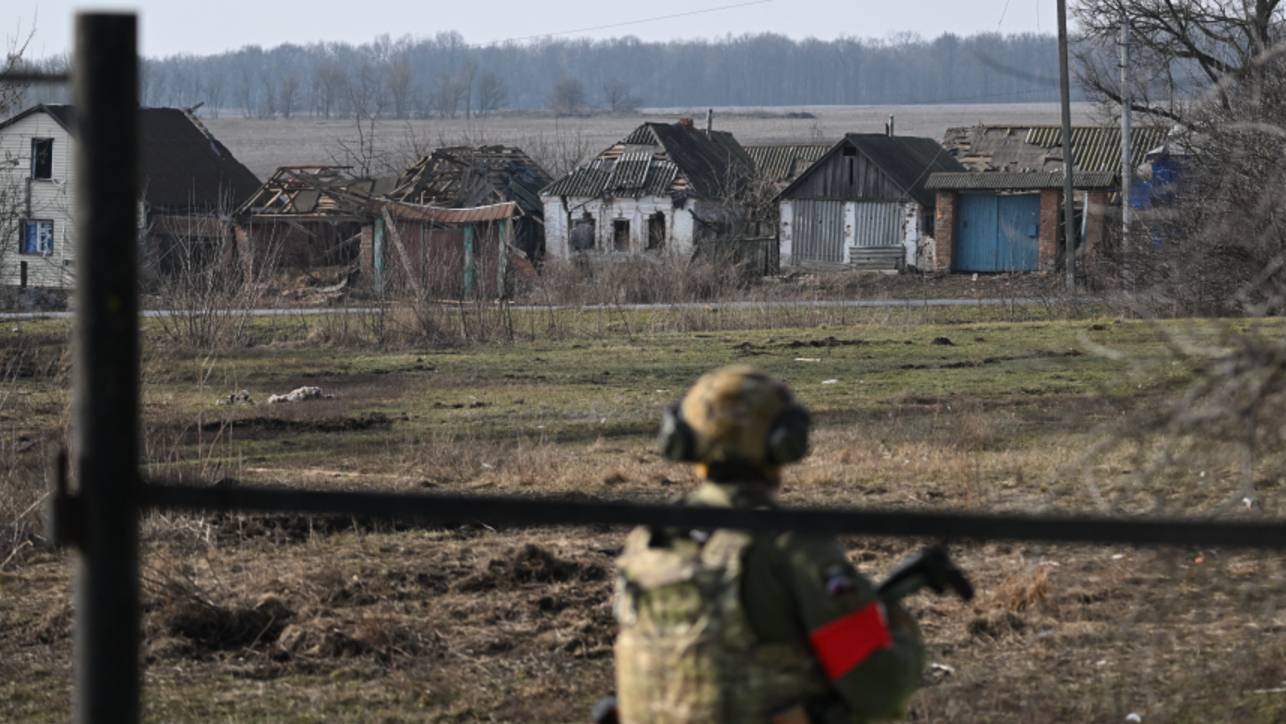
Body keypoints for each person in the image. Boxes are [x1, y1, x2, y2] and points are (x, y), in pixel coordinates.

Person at [611, 366, 926, 723]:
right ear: (784, 442)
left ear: (683, 440)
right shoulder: (792, 545)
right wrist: (898, 625)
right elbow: (880, 685)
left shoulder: (648, 542)